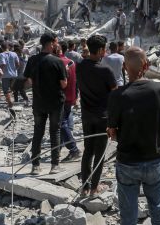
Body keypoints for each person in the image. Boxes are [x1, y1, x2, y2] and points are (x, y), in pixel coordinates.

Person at [107, 46, 160, 225]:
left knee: (129, 218)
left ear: (125, 68)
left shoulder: (118, 96)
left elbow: (112, 132)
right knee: (158, 211)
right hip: (155, 160)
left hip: (128, 164)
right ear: (146, 66)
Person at [77, 34, 118, 196]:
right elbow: (115, 93)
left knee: (88, 150)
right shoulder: (105, 70)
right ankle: (94, 188)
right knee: (100, 153)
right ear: (101, 50)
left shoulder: (80, 66)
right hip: (102, 116)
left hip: (86, 115)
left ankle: (85, 187)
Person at [24, 33, 68, 174]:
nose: (57, 44)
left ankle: (35, 166)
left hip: (38, 102)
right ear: (51, 43)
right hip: (55, 102)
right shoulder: (57, 61)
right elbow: (64, 84)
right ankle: (55, 165)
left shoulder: (32, 60)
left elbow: (29, 81)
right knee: (55, 131)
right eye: (56, 42)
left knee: (38, 132)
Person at [56, 43, 81, 162]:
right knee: (63, 122)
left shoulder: (57, 63)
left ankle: (74, 149)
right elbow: (75, 81)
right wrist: (75, 97)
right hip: (70, 97)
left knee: (61, 123)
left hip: (60, 97)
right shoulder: (71, 62)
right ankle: (59, 148)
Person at [0, 42, 20, 118]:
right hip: (14, 75)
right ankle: (10, 103)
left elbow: (3, 64)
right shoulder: (14, 54)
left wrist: (0, 71)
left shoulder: (1, 54)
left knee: (6, 90)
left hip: (5, 75)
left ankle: (10, 104)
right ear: (8, 47)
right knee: (10, 90)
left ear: (2, 48)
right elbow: (18, 64)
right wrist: (14, 70)